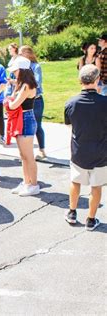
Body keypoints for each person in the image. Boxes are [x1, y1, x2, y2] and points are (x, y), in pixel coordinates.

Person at [64, 64, 107, 231]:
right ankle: (90, 219)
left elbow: (70, 126)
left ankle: (72, 212)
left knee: (75, 182)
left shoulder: (71, 103)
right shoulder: (105, 103)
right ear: (97, 80)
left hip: (79, 150)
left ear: (80, 80)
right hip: (101, 151)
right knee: (96, 186)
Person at [6, 56, 40, 196]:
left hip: (26, 118)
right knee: (23, 155)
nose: (13, 73)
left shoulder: (27, 85)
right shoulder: (22, 84)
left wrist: (8, 102)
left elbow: (13, 104)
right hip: (22, 118)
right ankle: (26, 182)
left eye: (15, 70)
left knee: (28, 156)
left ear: (22, 70)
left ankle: (34, 184)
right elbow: (12, 99)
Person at [19, 46, 46, 160]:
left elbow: (37, 82)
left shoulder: (36, 66)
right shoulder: (22, 67)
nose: (19, 56)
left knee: (37, 125)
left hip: (36, 99)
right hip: (25, 99)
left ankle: (42, 150)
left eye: (21, 53)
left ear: (28, 53)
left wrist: (23, 84)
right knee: (26, 125)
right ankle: (27, 152)